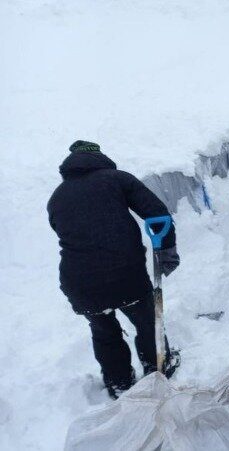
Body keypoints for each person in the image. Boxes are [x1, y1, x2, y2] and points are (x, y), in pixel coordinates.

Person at [47, 140, 181, 398]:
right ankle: (158, 367)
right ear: (100, 158)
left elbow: (62, 231)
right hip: (124, 275)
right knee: (146, 321)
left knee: (103, 331)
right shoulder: (118, 179)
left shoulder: (57, 197)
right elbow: (157, 216)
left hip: (79, 284)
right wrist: (166, 251)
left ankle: (119, 382)